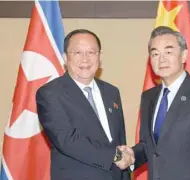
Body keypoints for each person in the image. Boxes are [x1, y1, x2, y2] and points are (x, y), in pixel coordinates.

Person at [119, 26, 190, 180]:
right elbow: (150, 147)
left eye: (168, 52)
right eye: (155, 53)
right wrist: (132, 155)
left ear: (184, 56)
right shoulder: (148, 97)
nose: (161, 59)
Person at [36, 29, 133, 180]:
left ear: (99, 57)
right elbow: (67, 140)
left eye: (92, 52)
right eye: (77, 53)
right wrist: (115, 155)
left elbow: (119, 140)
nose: (85, 59)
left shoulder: (111, 92)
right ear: (65, 58)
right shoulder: (50, 93)